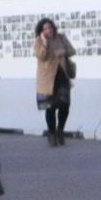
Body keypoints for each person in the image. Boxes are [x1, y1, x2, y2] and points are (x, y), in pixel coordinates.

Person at [33, 18, 76, 148]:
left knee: (65, 105)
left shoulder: (61, 38)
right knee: (50, 108)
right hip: (47, 79)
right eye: (45, 28)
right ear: (41, 30)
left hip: (62, 75)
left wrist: (62, 52)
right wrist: (45, 43)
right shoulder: (39, 41)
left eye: (50, 27)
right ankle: (51, 133)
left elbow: (72, 51)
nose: (48, 30)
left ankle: (60, 130)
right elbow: (41, 56)